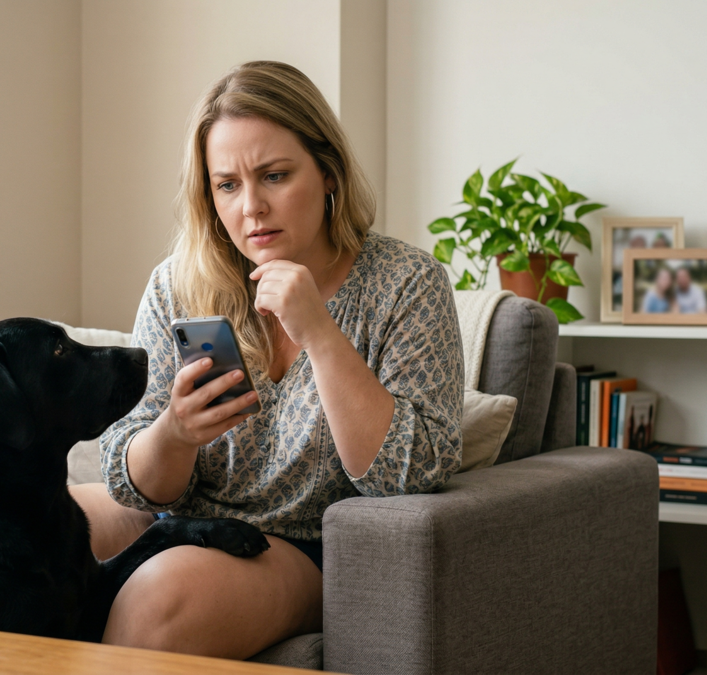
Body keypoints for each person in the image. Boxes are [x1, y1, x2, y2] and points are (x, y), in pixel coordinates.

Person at [68, 61, 464, 659]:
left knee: (161, 600)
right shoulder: (178, 285)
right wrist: (173, 436)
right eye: (226, 184)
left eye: (274, 175)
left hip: (302, 545)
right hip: (183, 516)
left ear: (328, 173)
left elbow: (409, 474)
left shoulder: (406, 284)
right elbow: (132, 481)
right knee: (6, 533)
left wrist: (320, 333)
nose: (251, 207)